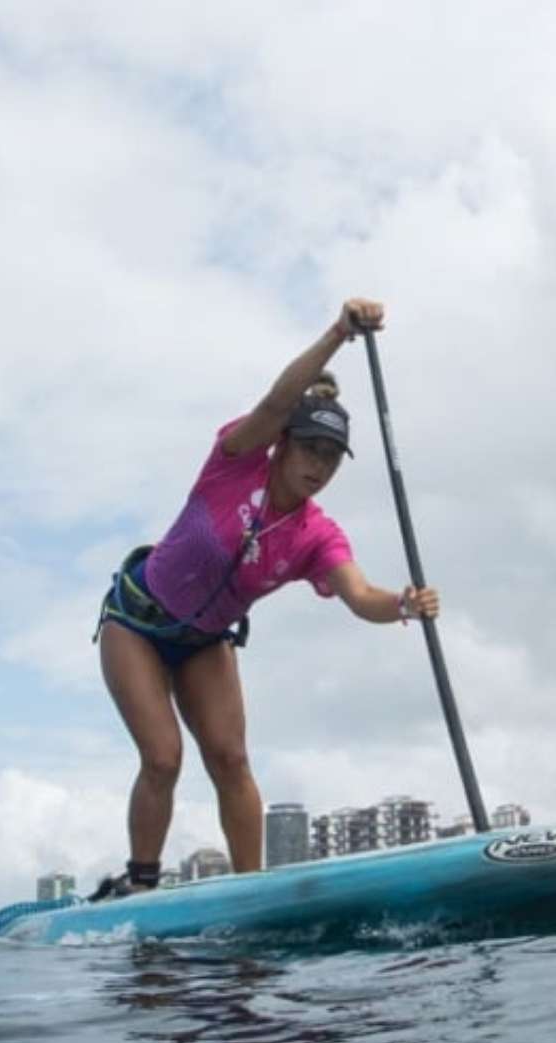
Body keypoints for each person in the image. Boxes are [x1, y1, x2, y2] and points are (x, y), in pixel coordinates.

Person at [92, 298, 439, 896]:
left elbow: (359, 595)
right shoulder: (237, 462)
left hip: (204, 642)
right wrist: (337, 334)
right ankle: (140, 882)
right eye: (310, 450)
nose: (319, 467)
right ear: (283, 445)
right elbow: (279, 402)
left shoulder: (316, 534)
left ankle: (249, 891)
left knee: (230, 759)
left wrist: (404, 604)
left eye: (332, 459)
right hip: (136, 623)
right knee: (164, 757)